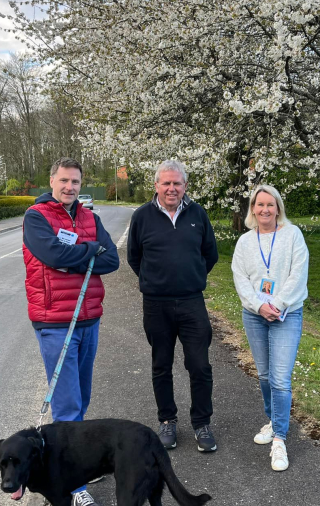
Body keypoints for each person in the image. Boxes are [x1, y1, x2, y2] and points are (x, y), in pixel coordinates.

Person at [22, 157, 119, 506]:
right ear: (51, 181)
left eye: (75, 182)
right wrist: (89, 252)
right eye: (64, 180)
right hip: (55, 322)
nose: (69, 187)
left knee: (82, 398)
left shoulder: (90, 217)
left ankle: (73, 461)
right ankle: (71, 486)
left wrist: (74, 257)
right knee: (66, 406)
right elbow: (49, 253)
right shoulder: (36, 217)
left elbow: (112, 260)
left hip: (88, 318)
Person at [127, 159, 220, 453]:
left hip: (192, 302)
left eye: (177, 183)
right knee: (161, 365)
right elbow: (134, 258)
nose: (171, 188)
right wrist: (157, 281)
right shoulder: (142, 216)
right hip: (156, 305)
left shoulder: (197, 214)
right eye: (166, 183)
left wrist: (190, 277)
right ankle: (167, 420)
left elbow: (210, 254)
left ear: (185, 186)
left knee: (199, 365)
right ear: (156, 185)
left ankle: (201, 423)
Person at [231, 184, 309, 472]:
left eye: (270, 204)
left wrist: (276, 304)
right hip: (254, 315)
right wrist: (259, 306)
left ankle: (279, 438)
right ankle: (273, 419)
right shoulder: (245, 243)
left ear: (278, 208)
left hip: (286, 315)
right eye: (259, 204)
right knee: (264, 375)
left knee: (280, 378)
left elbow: (297, 275)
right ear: (253, 208)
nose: (265, 209)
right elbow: (240, 279)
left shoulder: (292, 236)